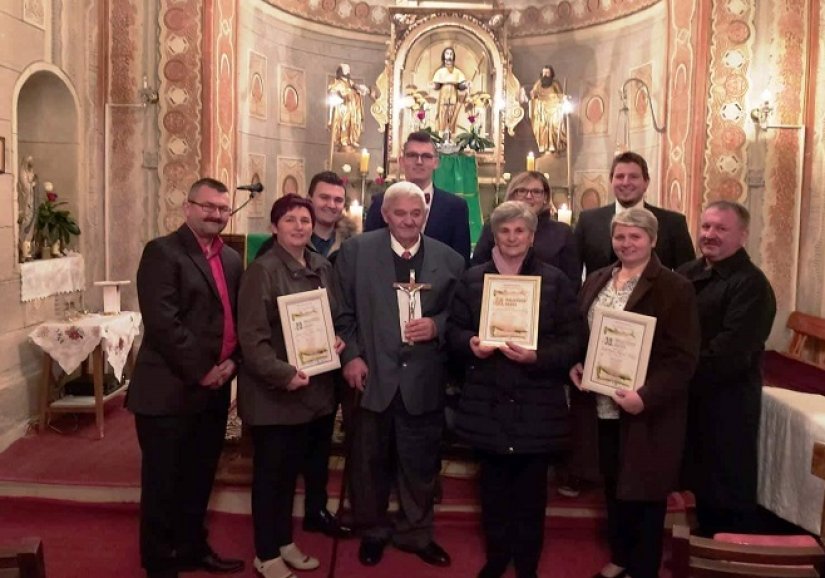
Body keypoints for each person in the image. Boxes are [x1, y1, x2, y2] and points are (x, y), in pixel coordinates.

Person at [448, 201, 582, 578]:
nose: (511, 238)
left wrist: (537, 357)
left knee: (531, 492)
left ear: (532, 236)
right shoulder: (473, 279)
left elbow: (573, 339)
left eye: (519, 231)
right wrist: (470, 342)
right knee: (492, 490)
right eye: (504, 231)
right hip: (486, 400)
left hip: (536, 401)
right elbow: (454, 331)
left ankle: (527, 562)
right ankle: (496, 556)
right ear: (494, 235)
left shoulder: (555, 281)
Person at [335, 182, 465, 568]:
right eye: (400, 213)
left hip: (423, 378)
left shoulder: (450, 260)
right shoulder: (357, 252)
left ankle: (416, 533)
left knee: (419, 463)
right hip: (371, 374)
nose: (408, 221)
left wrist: (437, 326)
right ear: (386, 215)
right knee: (368, 461)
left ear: (425, 215)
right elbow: (340, 311)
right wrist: (352, 358)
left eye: (416, 214)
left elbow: (461, 316)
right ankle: (372, 530)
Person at [569, 207, 699, 578]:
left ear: (653, 240)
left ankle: (643, 568)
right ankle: (620, 557)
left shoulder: (675, 287)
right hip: (600, 403)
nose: (626, 243)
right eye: (620, 236)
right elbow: (583, 333)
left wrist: (646, 396)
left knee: (645, 491)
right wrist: (577, 363)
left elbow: (683, 358)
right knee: (612, 484)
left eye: (635, 236)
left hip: (645, 409)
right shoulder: (597, 279)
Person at [127, 178, 244, 578]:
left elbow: (237, 319)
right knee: (163, 482)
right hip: (169, 390)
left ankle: (193, 547)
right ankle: (160, 563)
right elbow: (164, 322)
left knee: (199, 477)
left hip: (214, 390)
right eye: (208, 206)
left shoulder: (231, 259)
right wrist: (203, 370)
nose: (216, 214)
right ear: (187, 207)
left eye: (222, 209)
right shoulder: (163, 252)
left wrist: (233, 363)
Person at [237, 194, 347, 578]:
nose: (299, 226)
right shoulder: (262, 271)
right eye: (290, 220)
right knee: (271, 477)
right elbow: (251, 340)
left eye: (305, 220)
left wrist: (334, 342)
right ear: (274, 227)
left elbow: (331, 318)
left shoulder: (321, 265)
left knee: (289, 477)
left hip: (313, 392)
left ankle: (284, 542)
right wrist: (284, 374)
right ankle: (265, 554)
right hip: (274, 395)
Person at [678, 201, 777, 537]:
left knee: (726, 489)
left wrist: (674, 373)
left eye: (721, 229)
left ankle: (727, 558)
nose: (710, 235)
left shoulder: (751, 285)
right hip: (691, 397)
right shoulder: (687, 273)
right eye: (706, 227)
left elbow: (730, 353)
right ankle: (702, 547)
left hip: (726, 403)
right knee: (699, 485)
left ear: (743, 235)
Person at [575, 151, 695, 277]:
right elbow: (574, 272)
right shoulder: (587, 221)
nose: (626, 182)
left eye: (633, 177)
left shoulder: (673, 224)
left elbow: (688, 276)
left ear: (646, 182)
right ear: (611, 181)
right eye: (620, 176)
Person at [365, 130, 471, 265]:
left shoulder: (456, 207)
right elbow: (369, 251)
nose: (419, 161)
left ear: (436, 163)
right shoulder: (381, 202)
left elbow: (461, 261)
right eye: (412, 155)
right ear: (402, 161)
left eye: (426, 156)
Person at [472, 171, 581, 288]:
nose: (529, 196)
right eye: (522, 191)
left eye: (536, 192)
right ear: (512, 195)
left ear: (545, 197)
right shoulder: (495, 226)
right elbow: (477, 269)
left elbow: (572, 280)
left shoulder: (562, 233)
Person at [256, 171, 358, 265]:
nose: (331, 205)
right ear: (309, 199)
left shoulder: (354, 245)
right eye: (324, 198)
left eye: (338, 200)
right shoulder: (276, 245)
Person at [431, 47, 469, 137]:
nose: (449, 56)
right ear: (444, 56)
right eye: (447, 54)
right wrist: (433, 85)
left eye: (451, 54)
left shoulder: (457, 72)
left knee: (452, 114)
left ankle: (451, 136)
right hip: (443, 95)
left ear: (453, 57)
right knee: (442, 114)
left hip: (453, 94)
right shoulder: (440, 72)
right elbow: (437, 85)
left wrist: (465, 85)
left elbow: (460, 86)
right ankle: (441, 135)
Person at [328, 63, 367, 149]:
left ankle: (352, 140)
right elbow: (332, 91)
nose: (347, 74)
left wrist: (359, 89)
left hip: (353, 108)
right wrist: (343, 94)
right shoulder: (336, 82)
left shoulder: (350, 82)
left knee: (353, 123)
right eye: (345, 72)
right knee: (344, 124)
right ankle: (343, 141)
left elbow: (357, 88)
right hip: (343, 108)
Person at [529, 65, 566, 155]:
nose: (545, 75)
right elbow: (533, 95)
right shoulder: (538, 83)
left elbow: (561, 96)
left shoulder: (555, 84)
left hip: (554, 111)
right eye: (544, 73)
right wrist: (533, 95)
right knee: (543, 127)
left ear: (551, 74)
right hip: (542, 111)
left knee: (554, 127)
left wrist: (564, 98)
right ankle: (544, 146)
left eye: (547, 73)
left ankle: (554, 146)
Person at [17, 155, 37, 261]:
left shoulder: (30, 171)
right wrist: (32, 184)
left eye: (31, 162)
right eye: (29, 162)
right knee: (26, 222)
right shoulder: (22, 172)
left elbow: (32, 182)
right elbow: (25, 187)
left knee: (31, 224)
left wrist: (33, 182)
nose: (30, 165)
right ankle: (22, 250)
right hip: (26, 203)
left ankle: (28, 250)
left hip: (32, 201)